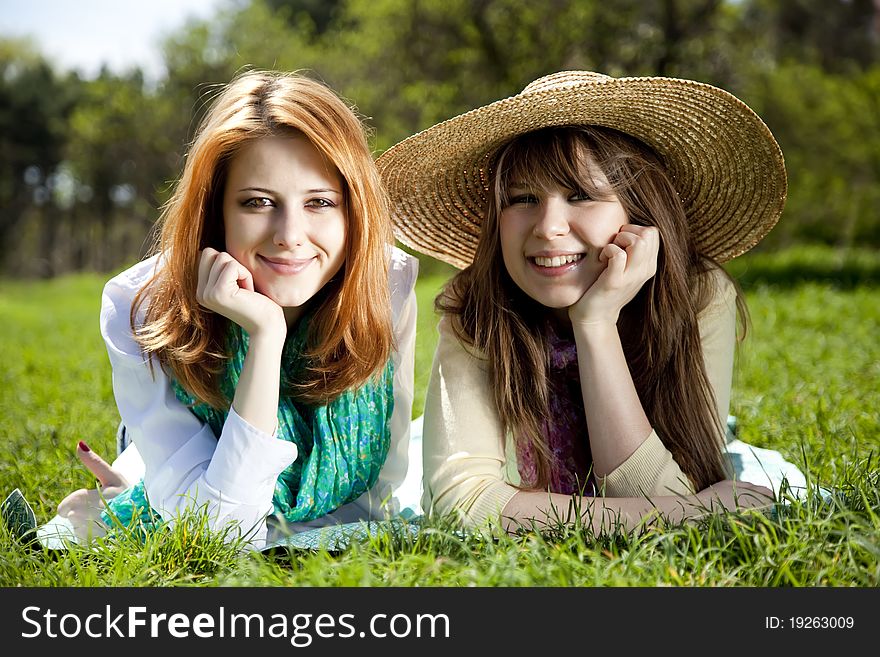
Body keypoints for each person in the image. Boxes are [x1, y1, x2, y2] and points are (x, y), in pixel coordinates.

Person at [376, 70, 784, 534]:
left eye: (581, 196)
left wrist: (595, 324)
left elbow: (670, 487)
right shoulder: (476, 308)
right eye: (522, 198)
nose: (549, 227)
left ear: (640, 213)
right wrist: (690, 513)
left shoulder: (699, 295)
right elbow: (460, 506)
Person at [37, 70, 419, 550]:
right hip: (195, 447)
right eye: (258, 202)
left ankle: (130, 489)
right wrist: (264, 338)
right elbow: (219, 531)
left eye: (320, 202)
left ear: (354, 210)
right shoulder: (137, 307)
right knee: (178, 489)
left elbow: (375, 496)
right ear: (215, 209)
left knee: (162, 497)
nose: (290, 235)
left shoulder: (387, 283)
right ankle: (138, 480)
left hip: (211, 476)